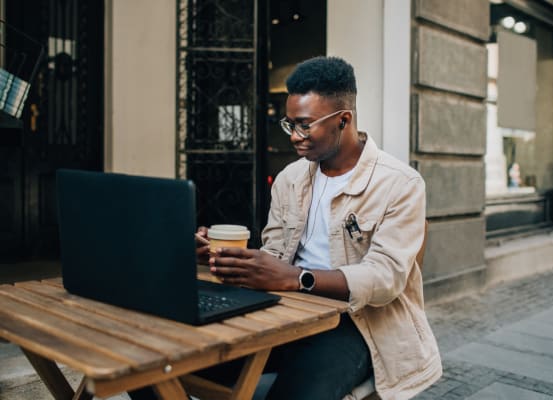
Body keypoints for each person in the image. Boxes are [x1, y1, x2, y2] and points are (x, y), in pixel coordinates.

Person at [131, 56, 441, 400]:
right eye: (289, 124)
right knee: (150, 363)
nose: (294, 136)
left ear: (344, 119)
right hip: (285, 311)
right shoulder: (290, 178)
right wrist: (220, 258)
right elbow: (274, 256)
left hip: (358, 324)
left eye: (305, 125)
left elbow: (385, 279)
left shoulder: (400, 184)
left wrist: (297, 277)